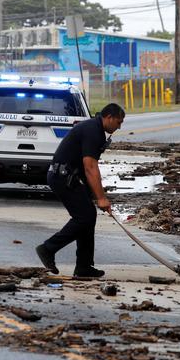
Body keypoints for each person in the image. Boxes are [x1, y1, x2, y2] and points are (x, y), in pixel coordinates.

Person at [36, 103, 125, 278]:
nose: (119, 126)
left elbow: (87, 169)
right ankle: (48, 249)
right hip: (62, 177)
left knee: (88, 216)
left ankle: (84, 266)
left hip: (70, 177)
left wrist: (95, 195)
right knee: (84, 216)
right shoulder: (93, 130)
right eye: (118, 122)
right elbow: (90, 166)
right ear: (109, 117)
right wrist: (101, 198)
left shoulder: (96, 130)